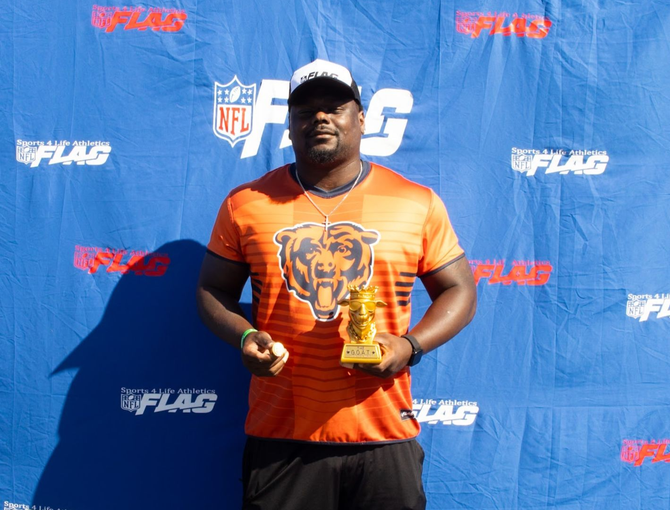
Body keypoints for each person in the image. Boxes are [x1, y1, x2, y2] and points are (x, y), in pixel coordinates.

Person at [196, 58, 477, 510]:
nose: (320, 118)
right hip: (282, 439)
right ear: (290, 125)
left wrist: (409, 346)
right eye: (306, 111)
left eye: (335, 107)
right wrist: (245, 337)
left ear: (361, 119)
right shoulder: (246, 204)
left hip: (384, 434)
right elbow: (212, 290)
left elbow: (460, 289)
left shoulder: (414, 202)